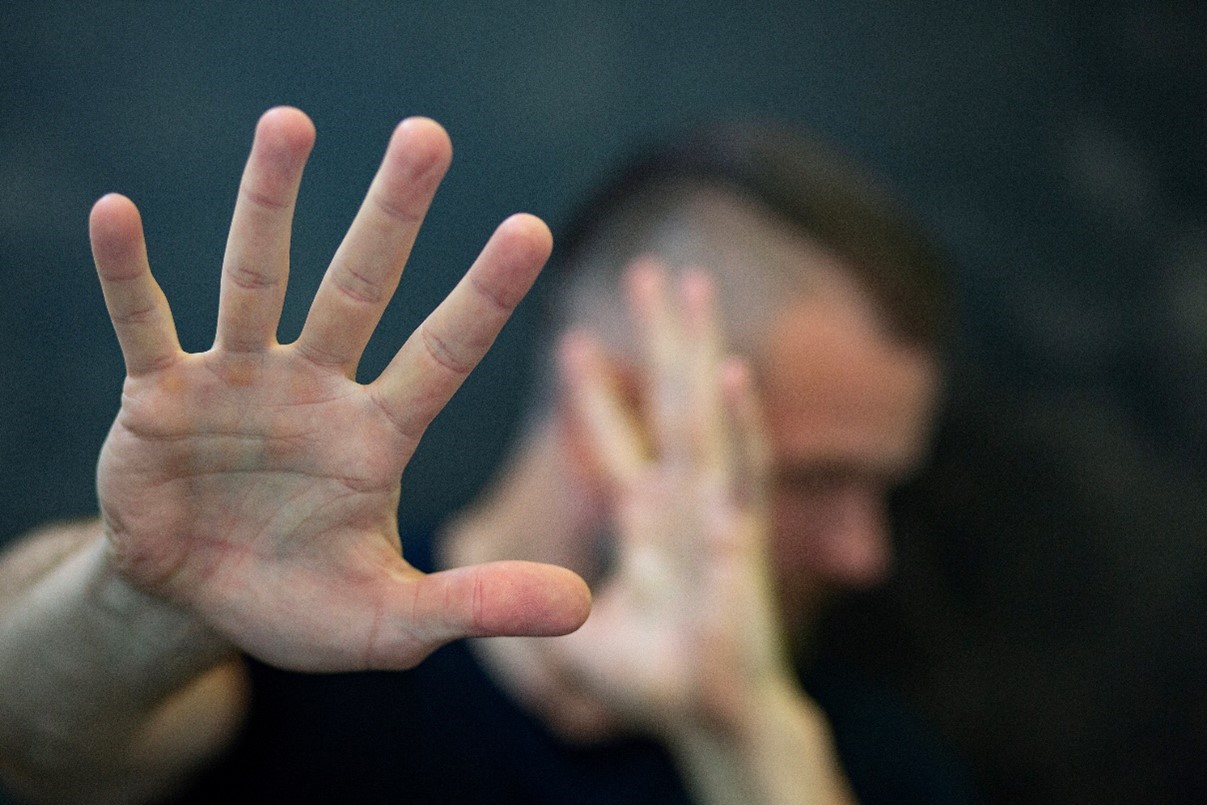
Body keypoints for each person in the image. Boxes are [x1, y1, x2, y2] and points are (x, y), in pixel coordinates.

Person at [0, 108, 971, 803]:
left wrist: (741, 733)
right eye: (817, 479)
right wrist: (144, 599)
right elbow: (28, 730)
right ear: (621, 408)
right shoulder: (300, 638)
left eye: (879, 488)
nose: (863, 553)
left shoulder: (855, 760)